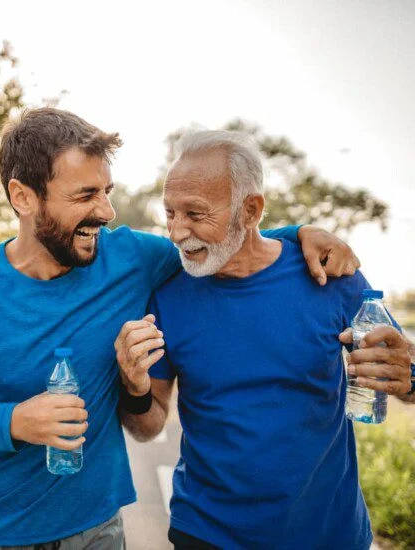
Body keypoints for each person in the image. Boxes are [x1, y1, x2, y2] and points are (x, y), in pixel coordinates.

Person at [0, 108, 360, 550]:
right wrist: (13, 421)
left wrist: (301, 233)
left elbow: (225, 240)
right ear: (23, 197)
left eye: (107, 190)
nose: (106, 211)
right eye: (85, 196)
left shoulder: (131, 260)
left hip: (96, 529)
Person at [115, 130, 414, 550]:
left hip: (330, 535)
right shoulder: (167, 295)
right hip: (206, 534)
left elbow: (404, 376)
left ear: (251, 210)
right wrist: (134, 387)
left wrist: (409, 376)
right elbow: (148, 427)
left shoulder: (329, 276)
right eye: (170, 213)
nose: (178, 232)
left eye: (196, 214)